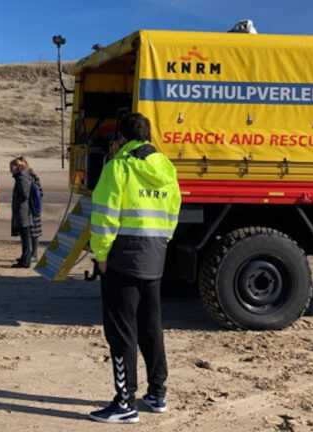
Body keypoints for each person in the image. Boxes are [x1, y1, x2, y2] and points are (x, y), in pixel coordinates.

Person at [88, 113, 181, 424]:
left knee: (121, 332)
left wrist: (101, 254)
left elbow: (105, 215)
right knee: (151, 327)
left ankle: (125, 402)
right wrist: (161, 243)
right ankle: (157, 394)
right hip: (154, 258)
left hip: (122, 259)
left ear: (121, 137)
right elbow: (173, 210)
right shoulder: (165, 167)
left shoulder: (119, 166)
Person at [18, 157, 43, 262]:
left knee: (34, 233)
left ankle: (34, 254)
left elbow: (39, 193)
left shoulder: (32, 177)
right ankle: (28, 254)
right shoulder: (22, 176)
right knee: (27, 232)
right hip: (28, 208)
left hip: (32, 208)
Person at [10, 158, 33, 268]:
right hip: (24, 210)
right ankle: (24, 259)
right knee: (25, 237)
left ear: (17, 167)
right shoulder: (22, 176)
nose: (10, 170)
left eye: (11, 167)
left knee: (26, 237)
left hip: (23, 211)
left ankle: (26, 261)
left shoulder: (22, 178)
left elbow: (25, 194)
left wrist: (17, 203)